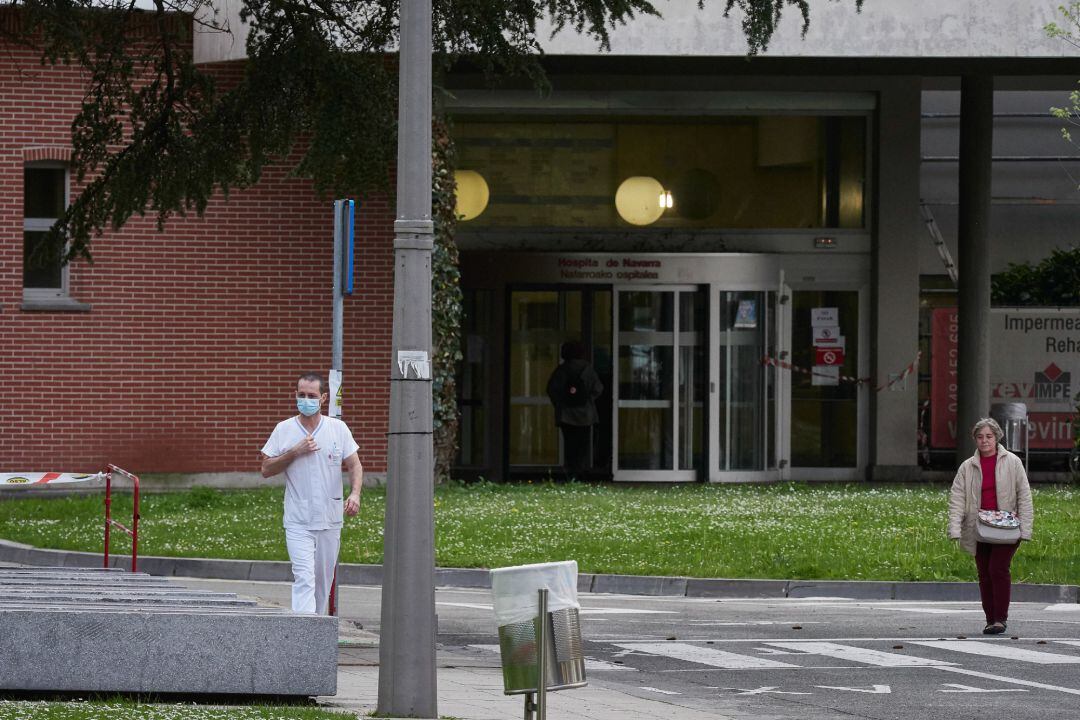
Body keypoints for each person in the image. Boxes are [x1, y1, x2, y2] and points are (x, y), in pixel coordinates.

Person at [261, 372, 363, 614]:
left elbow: (355, 464)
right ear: (295, 395)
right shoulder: (284, 429)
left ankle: (318, 635)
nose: (305, 400)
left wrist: (355, 494)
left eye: (311, 396)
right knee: (304, 578)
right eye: (301, 395)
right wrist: (294, 452)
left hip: (330, 519)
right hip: (299, 520)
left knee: (322, 583)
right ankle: (304, 635)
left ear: (323, 398)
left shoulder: (338, 429)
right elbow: (266, 469)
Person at [947, 417, 1033, 635]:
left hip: (1007, 527)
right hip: (978, 527)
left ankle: (1000, 619)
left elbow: (1024, 495)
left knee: (998, 568)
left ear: (997, 438)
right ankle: (990, 619)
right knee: (984, 573)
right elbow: (957, 498)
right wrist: (954, 529)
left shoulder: (1013, 462)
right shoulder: (967, 467)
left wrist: (1026, 529)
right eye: (980, 437)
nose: (984, 441)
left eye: (989, 436)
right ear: (975, 439)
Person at [546, 341, 603, 478]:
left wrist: (560, 404)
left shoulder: (562, 369)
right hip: (585, 415)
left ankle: (571, 472)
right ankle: (580, 470)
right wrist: (588, 400)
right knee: (582, 445)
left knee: (570, 445)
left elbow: (551, 389)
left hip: (566, 415)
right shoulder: (587, 369)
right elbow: (598, 388)